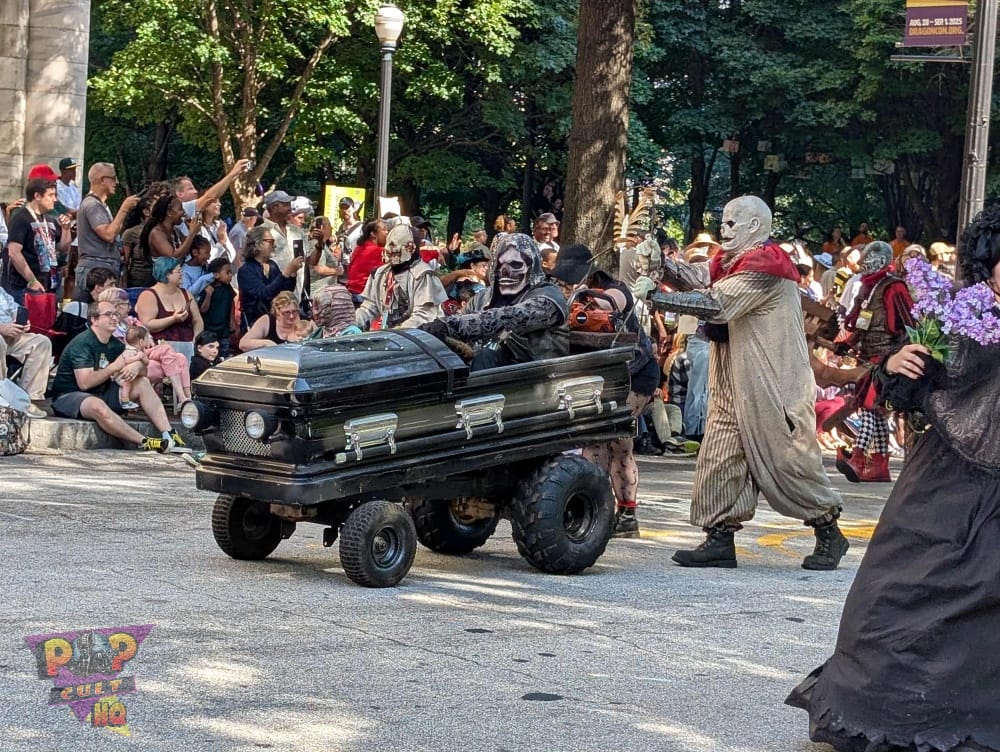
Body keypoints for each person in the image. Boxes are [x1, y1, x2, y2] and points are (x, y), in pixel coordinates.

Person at [787, 206, 1000, 752]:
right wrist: (897, 363)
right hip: (946, 481)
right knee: (900, 590)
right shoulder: (959, 314)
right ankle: (897, 711)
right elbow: (904, 391)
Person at [653, 195, 847, 570]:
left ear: (755, 227)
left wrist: (655, 297)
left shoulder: (766, 267)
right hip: (733, 378)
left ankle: (828, 530)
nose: (723, 230)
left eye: (731, 223)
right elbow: (697, 278)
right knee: (720, 455)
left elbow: (717, 304)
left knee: (787, 461)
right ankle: (719, 538)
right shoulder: (731, 262)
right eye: (723, 222)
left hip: (772, 382)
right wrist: (660, 265)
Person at [549, 242, 659, 537]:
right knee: (604, 440)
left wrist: (582, 296)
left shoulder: (615, 289)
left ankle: (613, 512)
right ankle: (603, 510)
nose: (568, 282)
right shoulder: (560, 293)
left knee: (607, 439)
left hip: (635, 375)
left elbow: (611, 303)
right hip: (601, 377)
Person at [418, 233, 568, 370]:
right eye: (500, 265)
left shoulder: (549, 296)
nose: (505, 271)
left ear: (531, 266)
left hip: (537, 378)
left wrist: (449, 325)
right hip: (484, 376)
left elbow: (509, 318)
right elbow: (460, 319)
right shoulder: (483, 297)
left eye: (515, 264)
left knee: (487, 355)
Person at [50, 300, 183, 451]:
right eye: (108, 314)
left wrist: (137, 366)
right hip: (70, 397)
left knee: (142, 383)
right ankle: (144, 441)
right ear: (94, 320)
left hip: (102, 393)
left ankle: (169, 434)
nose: (114, 318)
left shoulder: (115, 344)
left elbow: (145, 373)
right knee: (96, 405)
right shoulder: (82, 344)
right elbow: (84, 383)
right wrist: (114, 367)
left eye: (116, 314)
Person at [835, 240, 913, 482]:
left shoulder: (894, 287)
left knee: (871, 407)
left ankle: (858, 456)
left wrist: (902, 353)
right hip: (868, 357)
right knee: (875, 412)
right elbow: (858, 322)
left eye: (869, 258)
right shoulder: (867, 288)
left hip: (887, 358)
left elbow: (907, 323)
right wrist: (846, 342)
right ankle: (879, 464)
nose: (864, 263)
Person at [356, 223, 447, 331]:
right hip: (390, 335)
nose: (388, 249)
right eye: (388, 244)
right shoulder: (380, 273)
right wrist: (352, 324)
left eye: (394, 246)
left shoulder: (424, 275)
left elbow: (424, 316)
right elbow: (369, 307)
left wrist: (396, 333)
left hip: (420, 337)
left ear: (410, 248)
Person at [2, 176, 73, 303]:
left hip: (49, 284)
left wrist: (66, 229)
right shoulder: (21, 218)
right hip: (26, 287)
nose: (55, 199)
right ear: (37, 196)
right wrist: (32, 280)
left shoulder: (50, 220)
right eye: (51, 195)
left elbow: (63, 247)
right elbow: (14, 252)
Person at [75, 163, 140, 291]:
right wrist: (124, 208)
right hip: (96, 269)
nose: (117, 182)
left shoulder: (100, 205)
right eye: (113, 178)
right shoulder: (92, 205)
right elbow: (108, 234)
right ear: (102, 180)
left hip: (102, 267)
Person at [236, 225, 301, 332]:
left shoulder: (272, 265)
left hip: (276, 321)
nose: (274, 245)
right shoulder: (246, 270)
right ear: (258, 244)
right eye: (270, 242)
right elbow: (263, 295)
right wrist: (285, 273)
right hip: (255, 323)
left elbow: (285, 291)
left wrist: (292, 273)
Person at [0, 284, 51, 418]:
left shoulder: (1, 291)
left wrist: (21, 322)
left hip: (12, 336)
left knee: (42, 342)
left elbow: (14, 308)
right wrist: (1, 328)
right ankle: (2, 396)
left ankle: (30, 399)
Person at [135, 256, 203, 349]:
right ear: (167, 274)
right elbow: (147, 325)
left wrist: (196, 339)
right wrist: (173, 319)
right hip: (161, 347)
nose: (182, 274)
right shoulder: (148, 295)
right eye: (179, 271)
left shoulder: (186, 293)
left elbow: (197, 320)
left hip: (188, 345)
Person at [239, 291, 307, 351]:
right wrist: (266, 343)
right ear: (277, 312)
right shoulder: (267, 321)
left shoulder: (305, 322)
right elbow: (243, 344)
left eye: (294, 311)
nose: (291, 316)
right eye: (287, 313)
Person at [198, 257, 237, 357]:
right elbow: (203, 309)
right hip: (209, 329)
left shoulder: (228, 288)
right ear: (216, 274)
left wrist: (232, 320)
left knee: (224, 353)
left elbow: (231, 303)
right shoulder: (208, 288)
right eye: (227, 273)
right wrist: (209, 295)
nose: (230, 275)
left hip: (224, 329)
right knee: (210, 354)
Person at [345, 218, 388, 303]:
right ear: (373, 234)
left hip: (352, 291)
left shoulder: (359, 247)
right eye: (384, 230)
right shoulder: (378, 251)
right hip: (363, 294)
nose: (387, 232)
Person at [114, 325, 150, 409]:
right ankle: (125, 401)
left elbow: (147, 363)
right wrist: (137, 358)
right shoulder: (129, 350)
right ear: (141, 341)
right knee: (127, 384)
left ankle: (137, 401)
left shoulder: (140, 351)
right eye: (147, 339)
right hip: (121, 375)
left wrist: (143, 357)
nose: (148, 341)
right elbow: (127, 360)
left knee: (143, 381)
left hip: (130, 374)